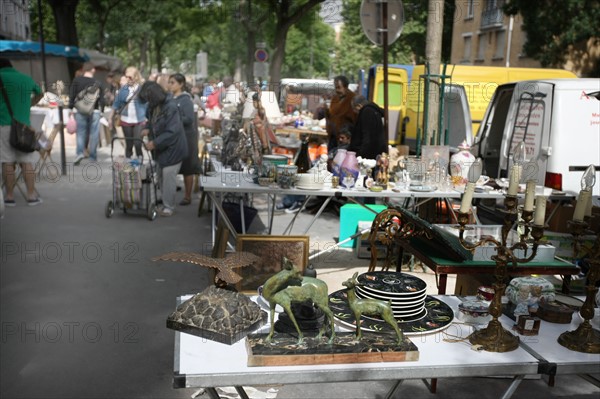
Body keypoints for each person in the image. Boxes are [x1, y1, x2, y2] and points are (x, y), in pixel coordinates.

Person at [139, 81, 188, 217]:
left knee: (168, 175)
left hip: (173, 148)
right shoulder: (153, 106)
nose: (147, 101)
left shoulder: (171, 107)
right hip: (162, 148)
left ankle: (168, 207)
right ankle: (165, 201)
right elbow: (151, 122)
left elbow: (172, 132)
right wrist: (147, 129)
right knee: (160, 174)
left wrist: (155, 143)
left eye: (148, 98)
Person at [0, 58, 44, 206]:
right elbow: (40, 93)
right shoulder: (25, 78)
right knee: (26, 162)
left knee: (7, 161)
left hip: (4, 125)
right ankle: (31, 196)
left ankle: (10, 197)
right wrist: (29, 104)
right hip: (24, 126)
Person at [167, 73, 199, 206]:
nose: (169, 85)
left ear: (181, 84)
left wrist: (174, 119)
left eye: (172, 82)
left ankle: (187, 196)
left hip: (186, 137)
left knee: (188, 167)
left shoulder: (185, 99)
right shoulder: (169, 98)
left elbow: (189, 119)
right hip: (174, 137)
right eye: (169, 82)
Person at [69, 62, 104, 164]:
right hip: (95, 110)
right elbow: (102, 100)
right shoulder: (98, 82)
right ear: (93, 70)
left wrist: (71, 108)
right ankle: (92, 157)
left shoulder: (77, 80)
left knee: (80, 132)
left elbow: (71, 96)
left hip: (80, 110)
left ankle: (80, 153)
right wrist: (102, 110)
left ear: (83, 69)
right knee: (94, 133)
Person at [111, 66, 147, 158]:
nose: (127, 79)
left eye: (130, 77)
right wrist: (110, 118)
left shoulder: (142, 88)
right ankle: (128, 168)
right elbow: (116, 104)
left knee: (138, 143)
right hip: (126, 119)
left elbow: (148, 103)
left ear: (136, 77)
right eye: (126, 77)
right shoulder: (124, 89)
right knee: (129, 145)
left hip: (139, 119)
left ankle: (140, 165)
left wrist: (148, 117)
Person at [348, 95, 387, 159]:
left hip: (367, 156)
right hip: (376, 152)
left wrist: (360, 155)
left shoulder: (366, 112)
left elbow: (367, 136)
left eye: (355, 109)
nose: (355, 112)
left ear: (359, 106)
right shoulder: (374, 111)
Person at [325, 75, 356, 152]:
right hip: (333, 136)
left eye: (339, 87)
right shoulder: (335, 98)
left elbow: (354, 119)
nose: (336, 90)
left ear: (346, 87)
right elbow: (332, 114)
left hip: (345, 140)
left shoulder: (353, 99)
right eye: (335, 87)